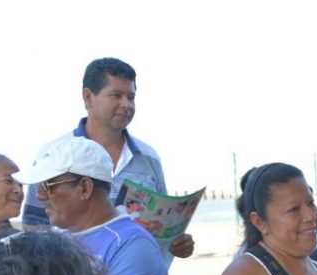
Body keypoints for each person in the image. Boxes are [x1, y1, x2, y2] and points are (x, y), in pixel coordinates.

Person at [22, 57, 194, 263]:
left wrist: (176, 242)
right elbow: (33, 225)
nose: (126, 104)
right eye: (116, 95)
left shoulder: (148, 158)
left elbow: (162, 224)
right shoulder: (53, 154)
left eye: (131, 97)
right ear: (88, 97)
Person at [15, 135, 168, 275]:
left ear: (85, 188)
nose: (39, 196)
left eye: (48, 185)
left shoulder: (133, 245)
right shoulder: (60, 240)